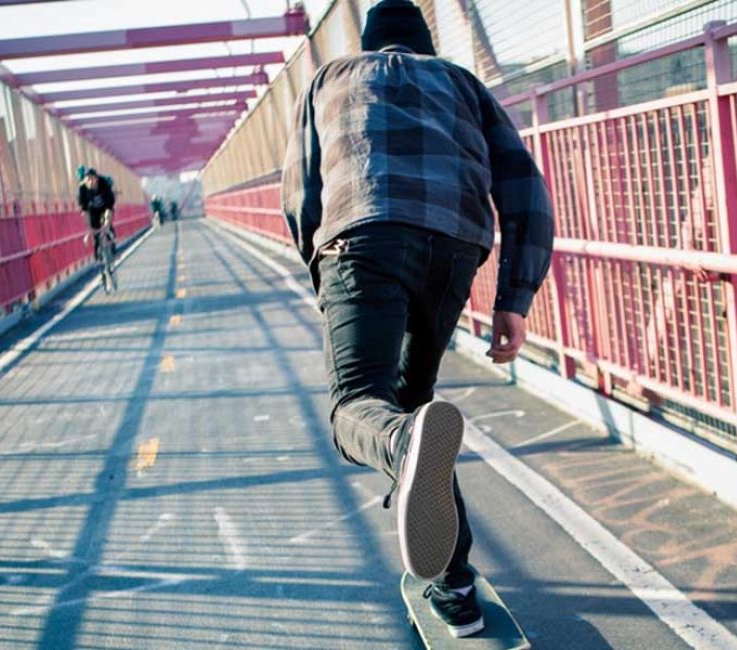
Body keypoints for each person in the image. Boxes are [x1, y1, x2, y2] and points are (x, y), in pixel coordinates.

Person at [280, 0, 553, 638]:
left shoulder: (330, 78)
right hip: (454, 245)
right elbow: (524, 188)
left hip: (364, 235)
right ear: (426, 44)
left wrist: (323, 275)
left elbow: (300, 192)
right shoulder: (463, 83)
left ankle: (404, 454)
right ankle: (452, 582)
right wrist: (515, 296)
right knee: (416, 404)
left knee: (359, 407)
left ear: (369, 42)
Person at [77, 168, 116, 260]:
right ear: (84, 180)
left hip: (105, 206)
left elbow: (109, 207)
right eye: (88, 179)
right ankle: (98, 254)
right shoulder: (82, 189)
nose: (90, 182)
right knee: (95, 229)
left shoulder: (104, 184)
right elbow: (84, 211)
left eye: (92, 179)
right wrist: (89, 229)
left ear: (97, 178)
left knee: (108, 226)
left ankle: (113, 248)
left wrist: (107, 224)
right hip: (93, 209)